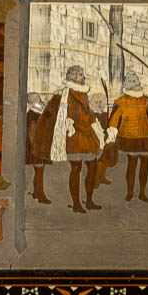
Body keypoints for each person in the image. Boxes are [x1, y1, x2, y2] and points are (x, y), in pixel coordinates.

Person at [44, 64, 106, 213]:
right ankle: (76, 203)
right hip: (75, 134)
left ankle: (89, 200)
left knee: (92, 167)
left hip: (87, 134)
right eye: (79, 74)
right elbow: (69, 114)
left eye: (82, 74)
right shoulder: (67, 93)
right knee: (76, 168)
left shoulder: (83, 93)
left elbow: (86, 111)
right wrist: (79, 124)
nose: (83, 77)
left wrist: (94, 121)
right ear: (72, 76)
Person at [105, 73, 148, 202]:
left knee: (142, 165)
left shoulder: (146, 100)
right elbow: (114, 121)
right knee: (133, 165)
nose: (136, 87)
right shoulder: (122, 102)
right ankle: (131, 192)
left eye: (137, 84)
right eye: (134, 85)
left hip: (146, 137)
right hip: (131, 138)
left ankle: (140, 193)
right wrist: (111, 134)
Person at [24, 91, 53, 204]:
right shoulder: (33, 115)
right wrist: (37, 147)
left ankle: (37, 192)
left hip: (38, 147)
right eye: (39, 100)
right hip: (36, 148)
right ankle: (40, 195)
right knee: (39, 172)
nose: (42, 102)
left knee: (39, 171)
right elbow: (32, 133)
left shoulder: (36, 113)